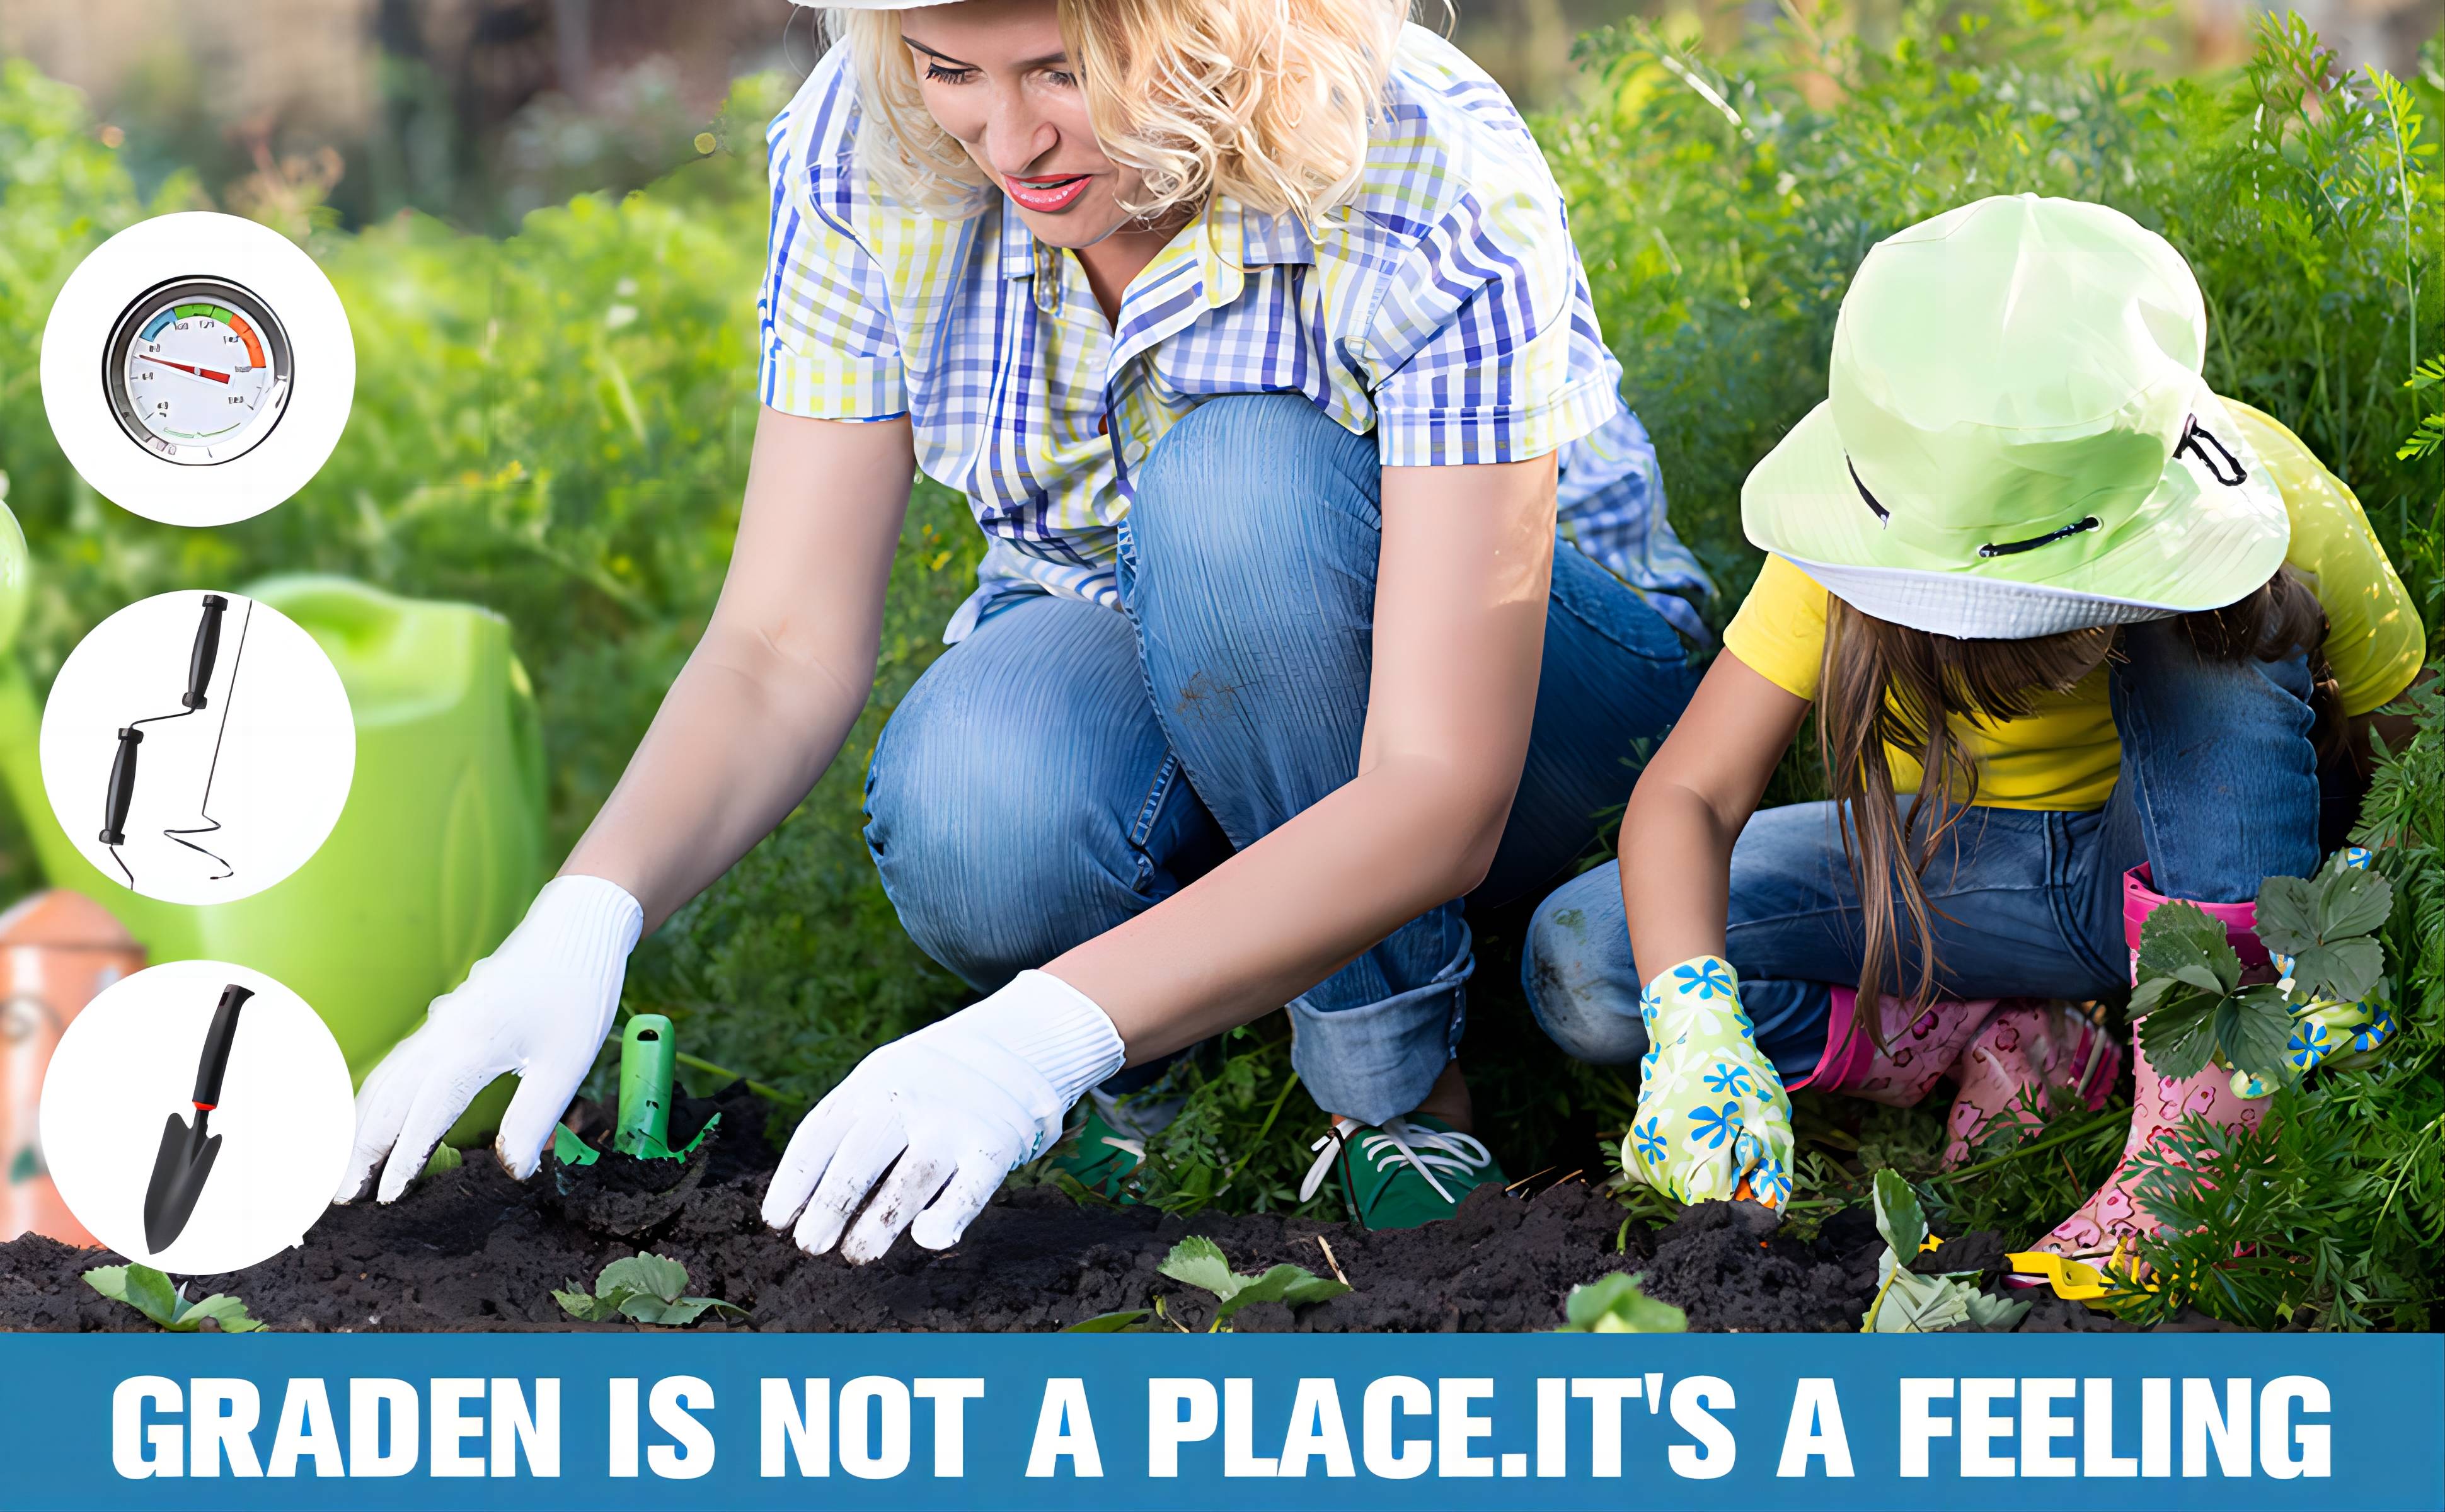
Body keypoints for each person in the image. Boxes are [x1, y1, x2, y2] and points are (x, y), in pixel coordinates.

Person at [335, 0, 1715, 1256]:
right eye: (953, 72)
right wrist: (582, 918)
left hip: (1537, 700)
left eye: (1065, 70)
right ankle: (1159, 1054)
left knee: (1235, 493)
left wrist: (1027, 1041)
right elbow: (777, 643)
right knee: (976, 801)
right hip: (1148, 626)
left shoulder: (1409, 157)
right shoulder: (860, 136)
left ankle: (1397, 1092)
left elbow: (1440, 787)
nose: (1010, 139)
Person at [1521, 194, 2422, 1267]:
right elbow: (1690, 796)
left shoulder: (2273, 494)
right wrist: (1695, 1024)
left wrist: (2359, 912)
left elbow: (2417, 769)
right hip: (1955, 871)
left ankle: (2203, 1147)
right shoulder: (1862, 515)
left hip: (2190, 873)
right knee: (1588, 961)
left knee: (2230, 631)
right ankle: (1999, 1036)